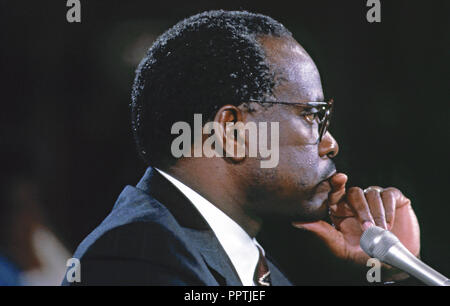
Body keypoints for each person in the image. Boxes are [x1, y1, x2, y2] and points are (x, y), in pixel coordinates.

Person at [63, 10, 420, 285]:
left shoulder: (226, 253)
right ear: (232, 132)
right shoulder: (137, 255)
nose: (330, 143)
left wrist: (394, 267)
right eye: (312, 116)